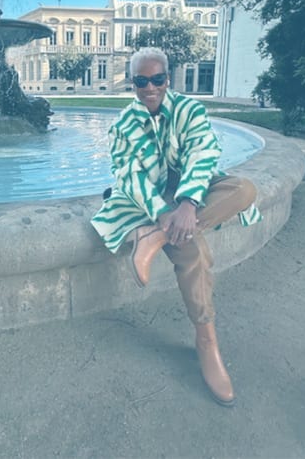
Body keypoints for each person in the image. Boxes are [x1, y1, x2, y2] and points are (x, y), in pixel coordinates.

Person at [91, 47, 261, 407]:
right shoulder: (123, 126)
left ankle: (153, 239)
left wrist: (188, 202)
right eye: (141, 81)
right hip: (152, 199)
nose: (150, 88)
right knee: (192, 250)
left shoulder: (189, 110)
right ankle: (206, 340)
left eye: (157, 79)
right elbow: (129, 176)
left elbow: (204, 153)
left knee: (244, 190)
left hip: (192, 191)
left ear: (168, 79)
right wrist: (162, 211)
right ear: (132, 83)